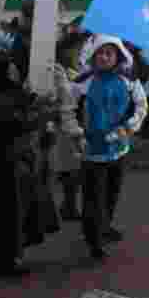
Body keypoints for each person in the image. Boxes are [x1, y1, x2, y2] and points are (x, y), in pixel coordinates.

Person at [0, 53, 61, 277]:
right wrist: (46, 114)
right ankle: (7, 260)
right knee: (9, 212)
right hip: (8, 162)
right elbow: (19, 123)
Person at [71, 36, 148, 259]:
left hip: (119, 147)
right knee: (93, 197)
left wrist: (126, 130)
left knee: (112, 192)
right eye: (100, 53)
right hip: (92, 151)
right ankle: (94, 240)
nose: (104, 57)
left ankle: (105, 226)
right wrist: (77, 134)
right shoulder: (81, 82)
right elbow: (68, 110)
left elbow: (141, 107)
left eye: (109, 53)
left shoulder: (129, 80)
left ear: (118, 56)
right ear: (93, 56)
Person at [52, 32, 89, 221]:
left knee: (74, 168)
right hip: (65, 127)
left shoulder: (74, 69)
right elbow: (65, 101)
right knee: (70, 169)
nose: (79, 54)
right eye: (76, 50)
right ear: (65, 51)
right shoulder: (57, 71)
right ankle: (68, 206)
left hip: (75, 124)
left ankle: (69, 206)